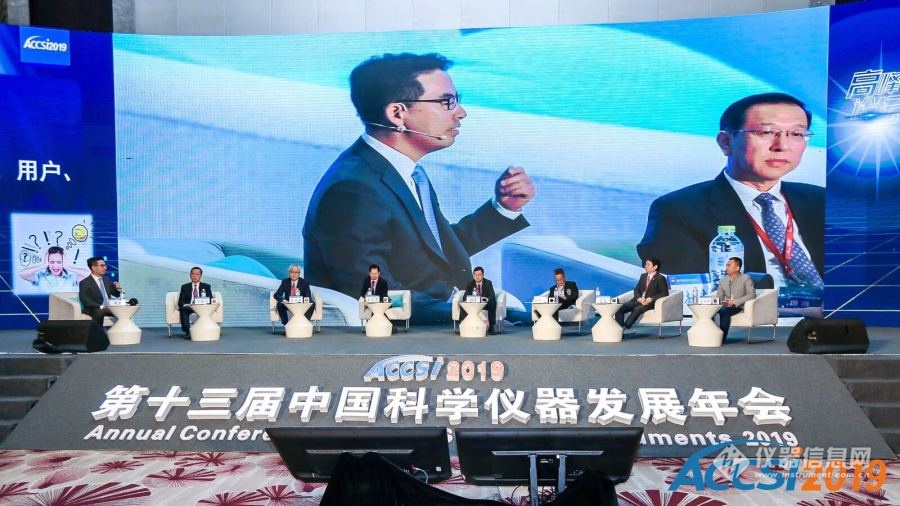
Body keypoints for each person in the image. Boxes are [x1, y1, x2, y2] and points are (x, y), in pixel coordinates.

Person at [303, 53, 535, 323]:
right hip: (409, 333)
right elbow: (376, 297)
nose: (461, 112)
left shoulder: (403, 171)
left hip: (440, 314)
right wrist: (473, 312)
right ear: (397, 113)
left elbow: (435, 250)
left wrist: (504, 208)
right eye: (446, 102)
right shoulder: (352, 190)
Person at [637, 93, 824, 288]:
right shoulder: (678, 210)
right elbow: (686, 290)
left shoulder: (822, 201)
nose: (782, 146)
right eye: (766, 132)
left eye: (796, 134)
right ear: (726, 142)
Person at [615, 257, 669, 333]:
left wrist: (651, 298)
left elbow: (664, 293)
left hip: (649, 303)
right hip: (638, 300)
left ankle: (623, 329)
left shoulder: (660, 278)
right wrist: (639, 298)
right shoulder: (643, 276)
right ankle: (618, 330)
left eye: (648, 264)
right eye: (645, 264)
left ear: (655, 267)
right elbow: (636, 289)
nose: (645, 266)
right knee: (619, 308)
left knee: (637, 309)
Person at [716, 257, 756, 341]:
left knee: (724, 310)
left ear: (737, 268)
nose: (726, 267)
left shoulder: (746, 278)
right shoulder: (723, 281)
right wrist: (721, 302)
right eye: (726, 265)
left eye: (729, 265)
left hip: (738, 306)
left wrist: (734, 302)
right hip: (726, 305)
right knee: (711, 310)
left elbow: (751, 294)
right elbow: (719, 297)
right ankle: (710, 335)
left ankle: (721, 338)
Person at [78, 256, 121, 325]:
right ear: (94, 268)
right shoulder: (85, 282)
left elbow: (116, 295)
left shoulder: (107, 280)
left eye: (105, 265)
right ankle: (97, 331)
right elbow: (85, 300)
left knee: (124, 312)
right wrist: (102, 307)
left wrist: (118, 288)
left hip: (109, 308)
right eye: (102, 266)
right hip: (94, 309)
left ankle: (121, 331)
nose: (105, 268)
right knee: (99, 312)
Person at [20, 246, 87, 290]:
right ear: (47, 262)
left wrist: (67, 267)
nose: (55, 266)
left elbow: (89, 274)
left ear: (63, 262)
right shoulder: (40, 277)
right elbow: (22, 274)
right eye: (52, 262)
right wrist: (43, 265)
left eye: (59, 262)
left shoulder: (71, 278)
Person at [459, 266, 497, 335]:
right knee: (463, 304)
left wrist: (484, 299)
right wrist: (471, 299)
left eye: (479, 275)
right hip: (473, 304)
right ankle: (462, 325)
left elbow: (492, 296)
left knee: (492, 303)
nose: (477, 277)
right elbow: (465, 296)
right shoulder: (470, 283)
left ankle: (491, 327)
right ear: (473, 275)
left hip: (484, 304)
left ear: (483, 275)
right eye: (475, 275)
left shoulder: (488, 283)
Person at [177, 266, 213, 340]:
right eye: (193, 274)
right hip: (190, 307)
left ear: (200, 276)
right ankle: (188, 332)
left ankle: (206, 331)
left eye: (197, 274)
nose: (194, 276)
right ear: (190, 275)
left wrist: (202, 302)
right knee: (183, 309)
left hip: (201, 307)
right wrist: (186, 305)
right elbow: (181, 302)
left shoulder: (206, 286)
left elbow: (210, 299)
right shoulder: (185, 287)